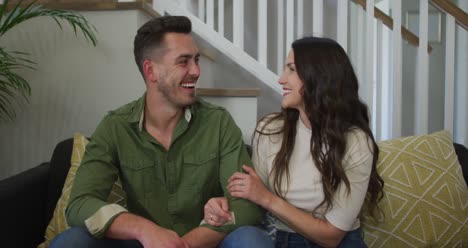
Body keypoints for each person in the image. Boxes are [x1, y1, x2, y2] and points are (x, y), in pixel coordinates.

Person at [49, 16, 265, 248]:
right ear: (151, 71)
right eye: (184, 62)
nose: (196, 71)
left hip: (205, 242)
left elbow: (247, 207)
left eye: (196, 60)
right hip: (142, 243)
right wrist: (145, 230)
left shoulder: (219, 123)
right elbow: (79, 204)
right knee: (70, 242)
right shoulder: (115, 127)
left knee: (251, 240)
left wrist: (183, 244)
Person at [203, 36, 384, 248]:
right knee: (245, 239)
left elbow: (332, 236)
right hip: (281, 238)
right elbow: (254, 197)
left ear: (319, 78)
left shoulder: (356, 141)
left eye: (291, 69)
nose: (281, 79)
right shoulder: (270, 130)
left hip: (339, 243)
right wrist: (223, 208)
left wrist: (267, 199)